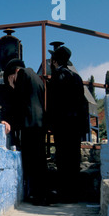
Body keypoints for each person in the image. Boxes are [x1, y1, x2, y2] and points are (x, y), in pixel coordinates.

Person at [2, 58, 48, 205]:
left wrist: (12, 86)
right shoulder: (36, 77)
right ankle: (42, 194)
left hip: (29, 124)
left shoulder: (22, 75)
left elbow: (19, 101)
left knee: (31, 160)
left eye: (10, 78)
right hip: (39, 123)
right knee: (40, 159)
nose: (11, 81)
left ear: (14, 73)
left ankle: (37, 195)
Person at [47, 46, 89, 203]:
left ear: (55, 61)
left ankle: (65, 194)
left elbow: (54, 103)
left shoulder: (58, 76)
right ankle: (74, 193)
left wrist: (50, 122)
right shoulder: (76, 77)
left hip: (62, 125)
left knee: (63, 159)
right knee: (74, 158)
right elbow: (83, 104)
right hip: (76, 126)